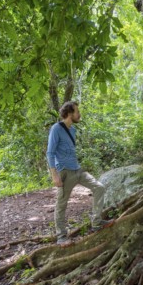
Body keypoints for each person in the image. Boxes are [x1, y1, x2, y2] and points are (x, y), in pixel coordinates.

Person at [47, 101, 110, 244]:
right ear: (69, 114)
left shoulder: (73, 130)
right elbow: (50, 153)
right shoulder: (56, 129)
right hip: (65, 172)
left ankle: (96, 223)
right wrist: (54, 174)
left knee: (99, 187)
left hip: (78, 169)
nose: (79, 114)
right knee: (61, 205)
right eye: (77, 111)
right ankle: (61, 237)